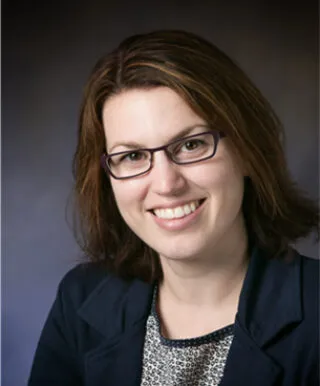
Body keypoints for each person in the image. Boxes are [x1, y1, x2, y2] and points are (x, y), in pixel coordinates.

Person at [28, 30, 319, 386]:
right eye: (133, 156)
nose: (167, 185)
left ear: (247, 150)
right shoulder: (80, 299)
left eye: (191, 144)